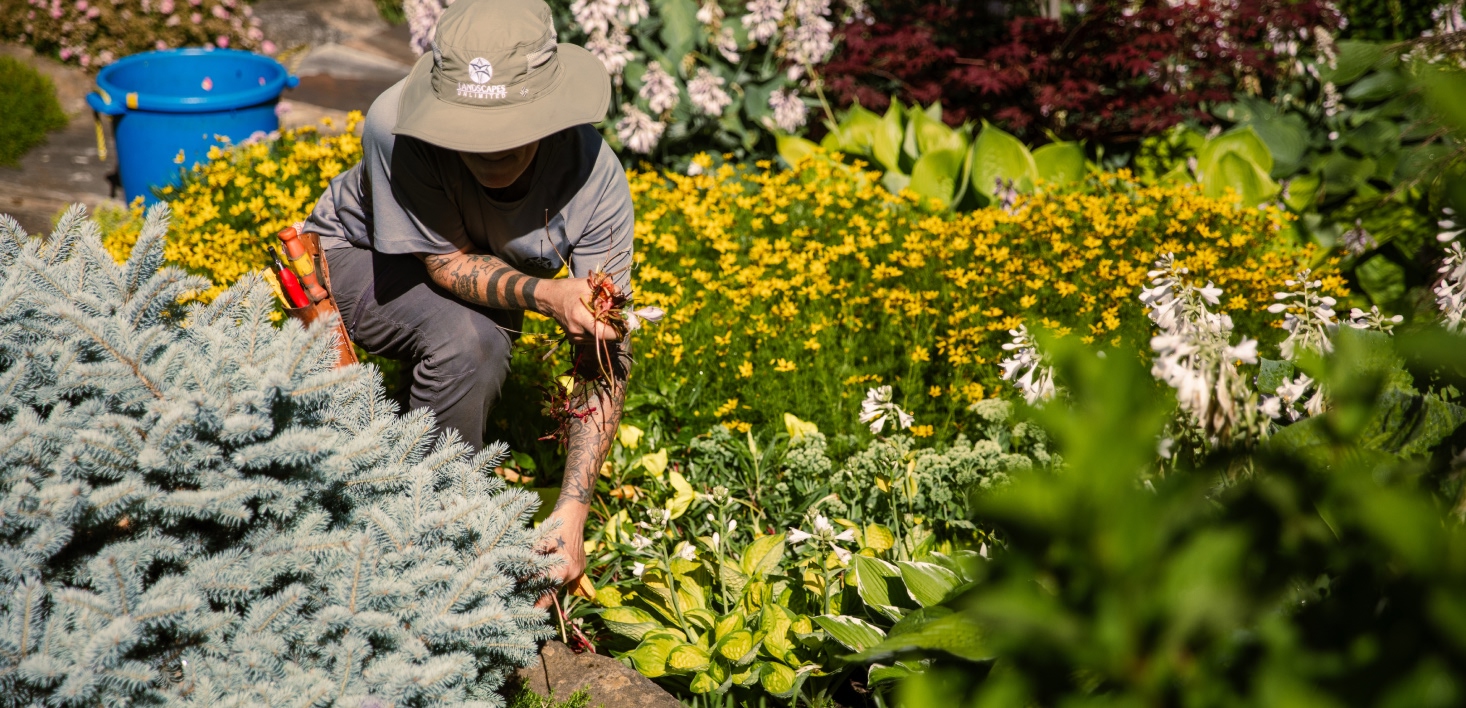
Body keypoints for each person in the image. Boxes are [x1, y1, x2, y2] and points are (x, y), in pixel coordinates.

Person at [301, 0, 631, 605]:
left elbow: (605, 360)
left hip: (473, 274)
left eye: (511, 128)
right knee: (468, 341)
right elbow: (446, 263)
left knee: (479, 334)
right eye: (474, 131)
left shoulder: (597, 181)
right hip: (364, 251)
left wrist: (573, 510)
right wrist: (551, 295)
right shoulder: (394, 126)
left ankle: (425, 467)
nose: (492, 149)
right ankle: (435, 543)